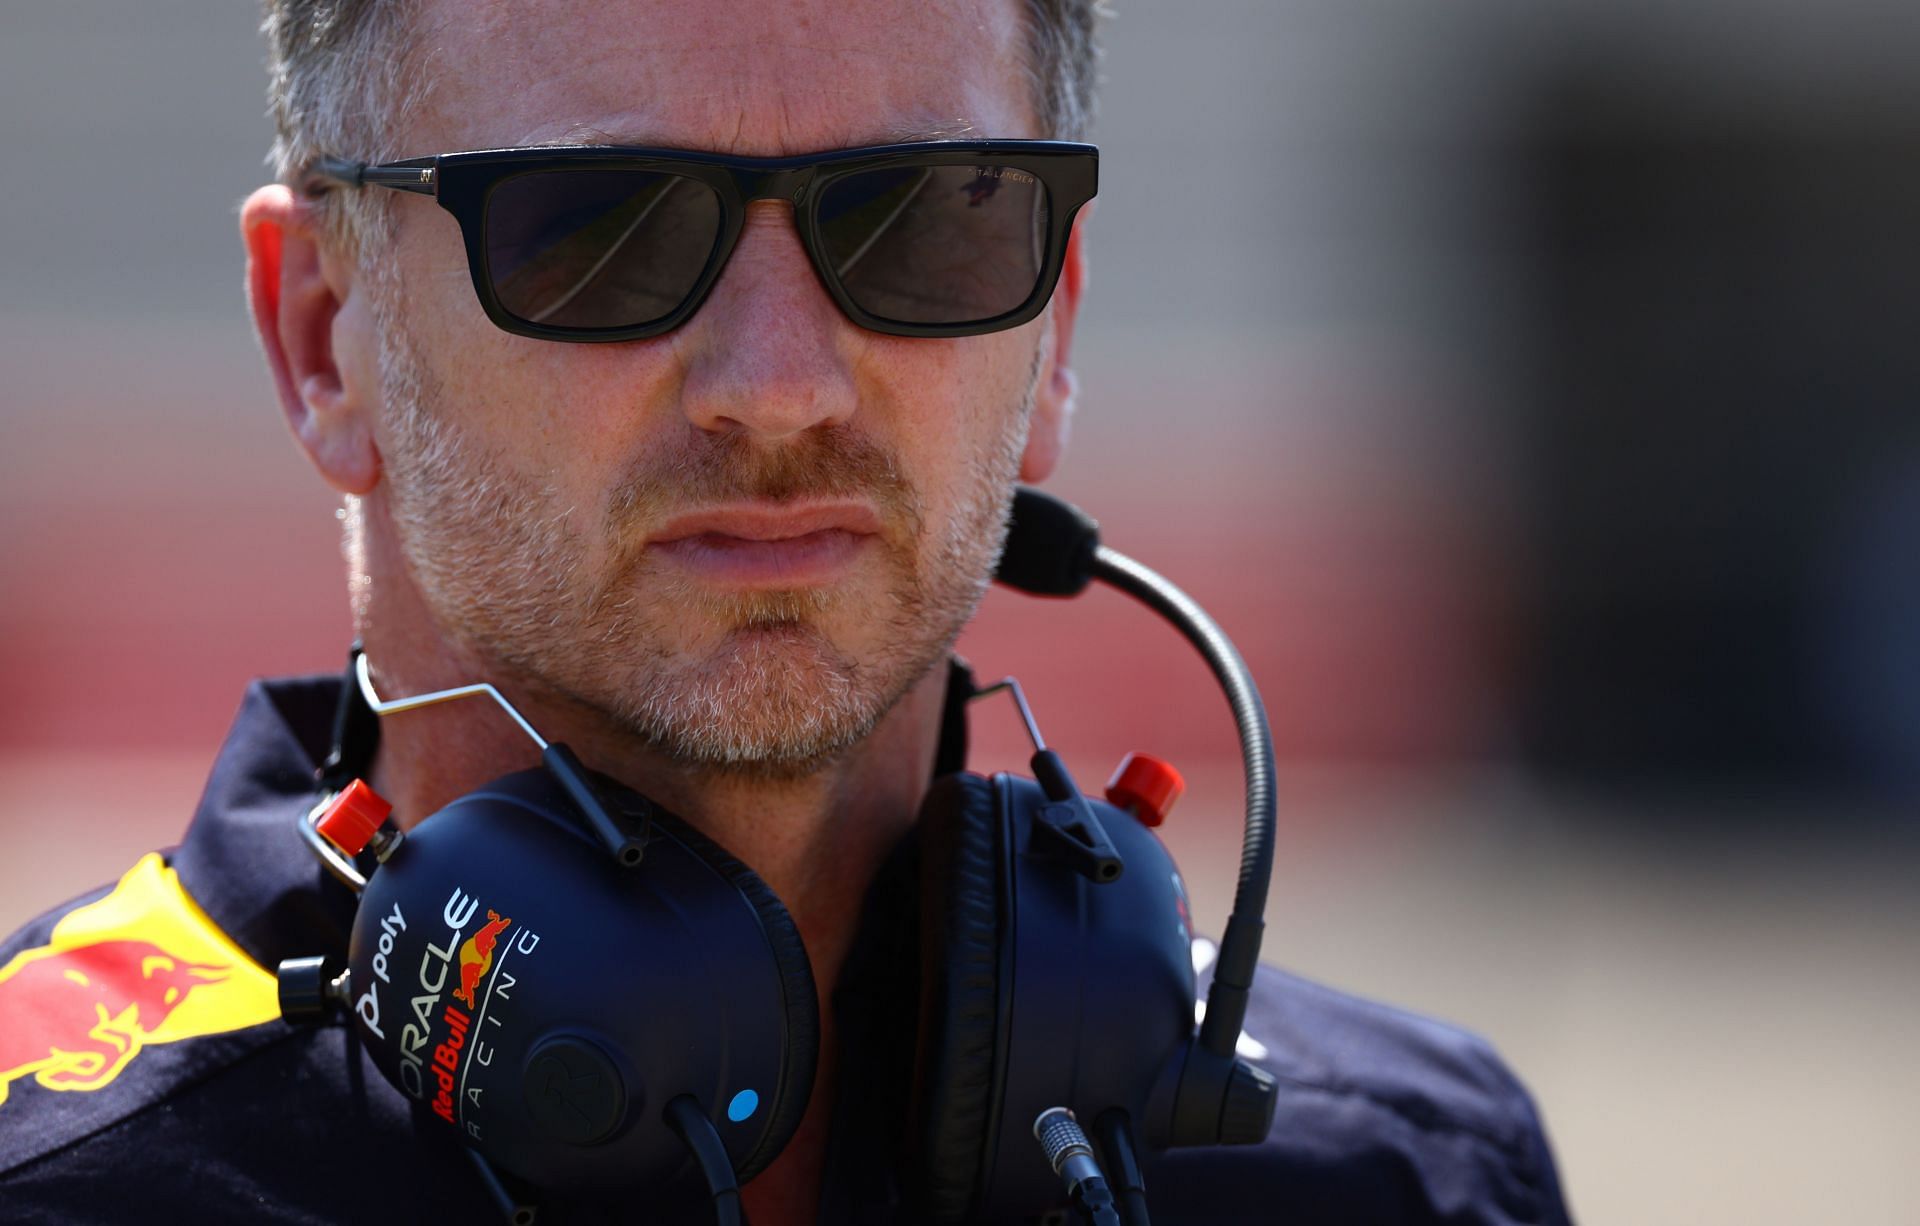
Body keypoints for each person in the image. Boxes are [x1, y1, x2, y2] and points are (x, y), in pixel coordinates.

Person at [0, 0, 1572, 1222]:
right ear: (321, 335)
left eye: (922, 216)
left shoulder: (1401, 1175)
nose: (779, 384)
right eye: (600, 225)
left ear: (1055, 325)